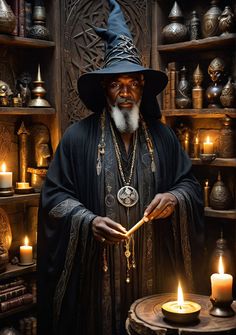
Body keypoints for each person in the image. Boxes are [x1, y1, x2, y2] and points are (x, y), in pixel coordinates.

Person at [37, 1, 205, 334]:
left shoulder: (165, 138)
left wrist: (175, 198)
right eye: (116, 84)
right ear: (105, 89)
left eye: (133, 84)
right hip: (95, 277)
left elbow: (190, 186)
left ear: (143, 88)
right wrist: (88, 222)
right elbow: (54, 199)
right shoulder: (76, 137)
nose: (125, 93)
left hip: (154, 267)